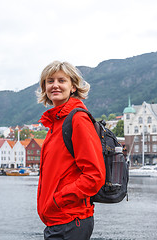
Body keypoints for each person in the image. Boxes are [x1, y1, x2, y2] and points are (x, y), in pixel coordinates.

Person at [36, 61, 106, 240]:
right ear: (44, 87)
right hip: (59, 220)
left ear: (73, 86)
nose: (55, 85)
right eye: (50, 81)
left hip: (70, 220)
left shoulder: (77, 120)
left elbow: (94, 175)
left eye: (62, 80)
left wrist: (58, 200)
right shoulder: (56, 123)